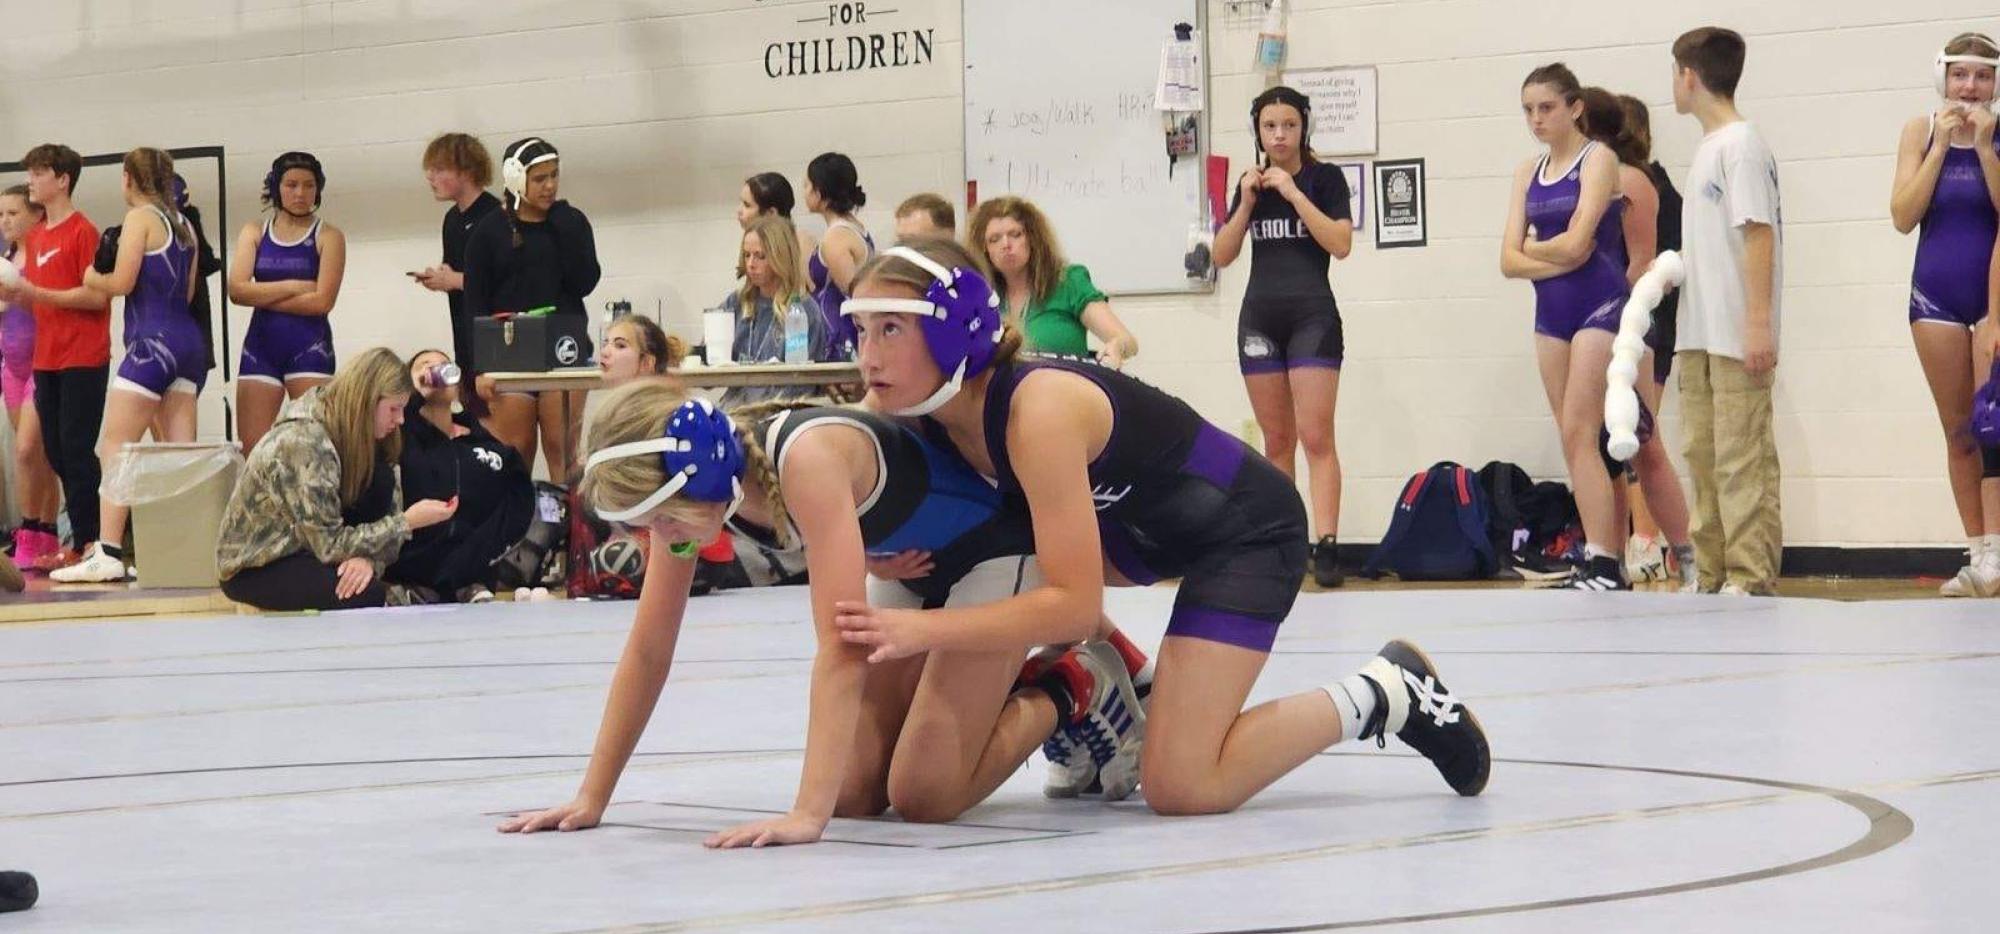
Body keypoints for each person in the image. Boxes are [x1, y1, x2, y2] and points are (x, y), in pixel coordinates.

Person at [833, 239, 1489, 820]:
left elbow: (1074, 603)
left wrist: (922, 630)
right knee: (1015, 554)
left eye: (890, 329)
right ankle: (1109, 678)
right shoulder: (912, 405)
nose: (868, 355)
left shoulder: (1036, 413)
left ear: (954, 334)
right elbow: (826, 481)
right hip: (1132, 533)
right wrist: (870, 547)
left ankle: (1384, 691)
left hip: (1244, 535)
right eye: (860, 330)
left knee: (1183, 785)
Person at [498, 379, 1146, 843]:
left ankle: (1073, 686)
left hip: (998, 553)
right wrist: (593, 797)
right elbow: (648, 649)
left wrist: (804, 817)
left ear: (699, 475)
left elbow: (841, 648)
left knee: (926, 795)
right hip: (920, 565)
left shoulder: (804, 459)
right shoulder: (701, 498)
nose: (663, 538)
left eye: (663, 519)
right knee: (857, 794)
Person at [1211, 87, 1353, 588]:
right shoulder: (1250, 184)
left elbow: (1340, 244)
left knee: (1316, 437)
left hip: (1312, 317)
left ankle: (1328, 544)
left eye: (1288, 125)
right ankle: (1283, 544)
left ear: (1303, 127)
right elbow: (1223, 255)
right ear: (1258, 132)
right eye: (1269, 127)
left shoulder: (1325, 178)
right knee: (1276, 442)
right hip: (1260, 319)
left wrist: (1294, 193)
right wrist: (1246, 203)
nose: (1279, 135)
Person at [1500, 64, 1631, 591]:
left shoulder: (1598, 159)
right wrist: (1541, 255)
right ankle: (1604, 555)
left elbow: (1580, 246)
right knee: (1572, 436)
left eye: (1546, 108)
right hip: (1550, 312)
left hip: (1600, 304)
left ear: (1575, 107)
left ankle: (1603, 560)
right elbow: (1506, 261)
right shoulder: (1526, 171)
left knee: (1581, 430)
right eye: (1529, 110)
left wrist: (1531, 249)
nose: (1536, 119)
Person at [53, 149, 205, 583]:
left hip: (150, 343)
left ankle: (108, 551)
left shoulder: (140, 219)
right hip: (187, 343)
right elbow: (190, 290)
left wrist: (89, 277)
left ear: (127, 179)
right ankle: (182, 553)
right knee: (180, 457)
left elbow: (120, 283)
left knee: (114, 449)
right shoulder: (185, 224)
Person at [1672, 27, 1785, 595]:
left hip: (1738, 332)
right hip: (1698, 332)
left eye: (1674, 73)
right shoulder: (1707, 149)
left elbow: (1758, 233)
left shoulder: (1741, 145)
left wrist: (1758, 324)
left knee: (1743, 459)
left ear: (1689, 76)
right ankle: (1711, 571)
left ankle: (1749, 574)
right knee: (1703, 454)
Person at [216, 347, 457, 610]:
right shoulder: (304, 441)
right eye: (394, 409)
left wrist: (369, 561)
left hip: (310, 548)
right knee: (364, 595)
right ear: (367, 401)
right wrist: (407, 522)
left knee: (379, 489)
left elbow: (386, 517)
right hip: (261, 562)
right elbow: (329, 545)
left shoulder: (374, 435)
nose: (400, 420)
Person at [1891, 34, 2000, 595]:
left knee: (1993, 428)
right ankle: (1978, 553)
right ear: (1943, 78)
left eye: (1982, 77)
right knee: (1959, 431)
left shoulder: (1998, 135)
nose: (1971, 88)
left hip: (1991, 300)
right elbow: (1903, 215)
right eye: (1961, 76)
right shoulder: (1920, 130)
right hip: (1934, 296)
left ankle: (1998, 553)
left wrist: (1984, 149)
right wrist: (1940, 147)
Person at [1578, 87, 1698, 590]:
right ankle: (1612, 558)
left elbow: (1640, 266)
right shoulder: (1586, 177)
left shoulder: (1633, 181)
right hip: (1590, 318)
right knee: (1601, 443)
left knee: (1641, 442)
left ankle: (1686, 553)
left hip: (1633, 321)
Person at [463, 137, 600, 479]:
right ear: (515, 179)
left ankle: (571, 530)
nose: (550, 186)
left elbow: (586, 282)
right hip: (508, 354)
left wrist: (565, 229)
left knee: (563, 451)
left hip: (563, 349)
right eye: (540, 179)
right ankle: (516, 531)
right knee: (516, 451)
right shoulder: (489, 232)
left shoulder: (571, 222)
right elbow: (475, 302)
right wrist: (478, 368)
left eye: (554, 176)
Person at [3, 144, 108, 571]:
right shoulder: (40, 235)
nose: (31, 180)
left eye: (39, 172)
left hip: (83, 356)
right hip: (46, 359)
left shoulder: (83, 231)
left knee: (77, 450)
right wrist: (16, 297)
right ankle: (81, 539)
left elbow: (96, 296)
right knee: (58, 453)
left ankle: (92, 543)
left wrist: (33, 293)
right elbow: (41, 303)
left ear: (62, 180)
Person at [387, 349, 534, 604]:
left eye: (444, 366)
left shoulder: (482, 444)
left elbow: (518, 491)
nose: (435, 371)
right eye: (423, 365)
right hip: (413, 568)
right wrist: (416, 394)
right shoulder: (400, 438)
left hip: (474, 570)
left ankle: (466, 582)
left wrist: (489, 550)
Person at [228, 151, 347, 454]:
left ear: (318, 189)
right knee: (252, 453)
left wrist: (262, 294)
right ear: (276, 187)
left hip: (310, 348)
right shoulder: (254, 231)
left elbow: (322, 302)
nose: (300, 193)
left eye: (309, 186)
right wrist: (294, 286)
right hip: (260, 348)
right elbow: (237, 291)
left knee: (317, 448)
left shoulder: (329, 236)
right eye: (291, 184)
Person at [967, 197, 1140, 369]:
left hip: (1067, 390)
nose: (1006, 245)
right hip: (1006, 393)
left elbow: (1127, 341)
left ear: (1033, 239)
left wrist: (1117, 347)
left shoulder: (1068, 282)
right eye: (994, 239)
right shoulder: (980, 297)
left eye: (1015, 234)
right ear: (985, 249)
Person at [0, 186, 59, 571]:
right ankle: (38, 536)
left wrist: (19, 294)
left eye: (13, 214)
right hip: (12, 365)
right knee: (31, 457)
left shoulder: (39, 257)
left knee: (29, 451)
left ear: (35, 215)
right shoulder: (6, 258)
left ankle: (37, 529)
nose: (5, 222)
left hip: (42, 362)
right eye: (1, 215)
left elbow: (51, 302)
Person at [413, 133, 502, 386]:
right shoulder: (452, 219)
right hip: (464, 337)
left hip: (496, 340)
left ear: (467, 171)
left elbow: (506, 281)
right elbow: (457, 274)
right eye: (429, 169)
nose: (430, 177)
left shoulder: (496, 216)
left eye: (439, 169)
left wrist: (454, 279)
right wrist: (439, 278)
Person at [721, 215, 831, 407]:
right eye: (747, 255)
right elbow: (710, 359)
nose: (751, 264)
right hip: (735, 409)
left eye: (760, 256)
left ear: (780, 257)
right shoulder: (737, 303)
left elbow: (800, 385)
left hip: (780, 410)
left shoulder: (803, 310)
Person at [803, 152, 873, 358]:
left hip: (840, 340)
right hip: (836, 335)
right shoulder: (853, 227)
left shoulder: (836, 239)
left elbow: (855, 298)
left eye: (807, 186)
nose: (804, 193)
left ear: (819, 192)